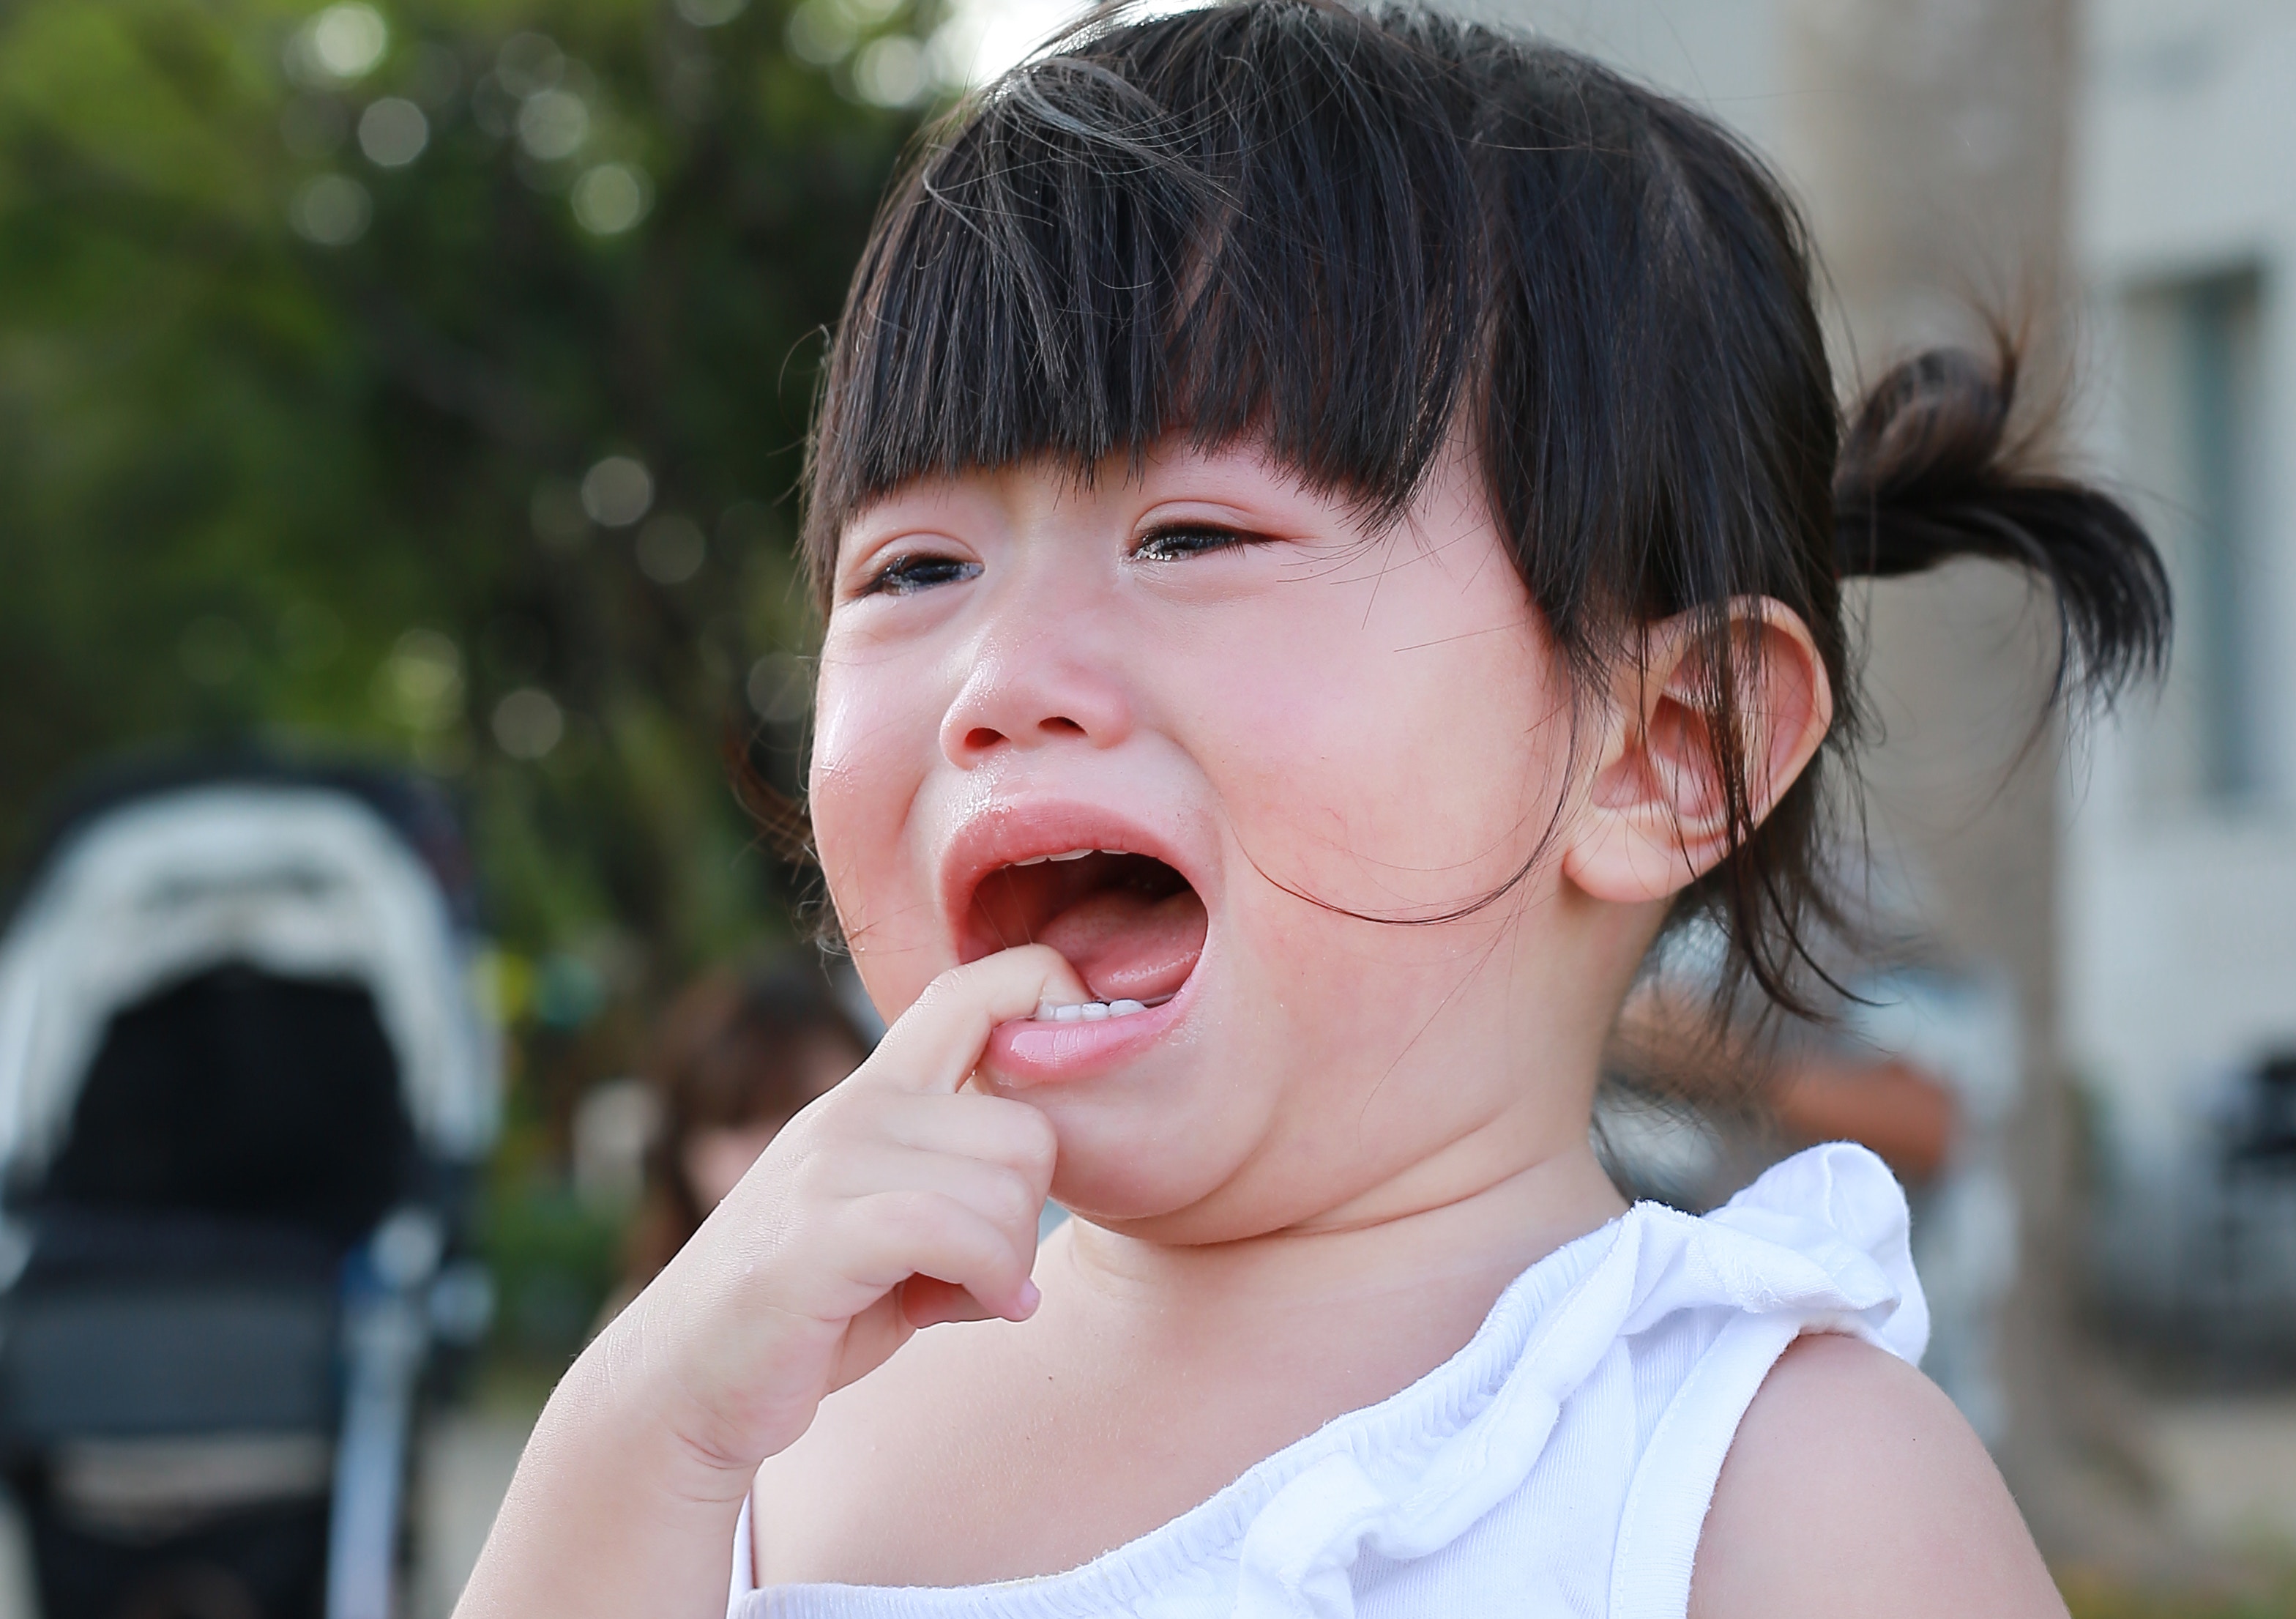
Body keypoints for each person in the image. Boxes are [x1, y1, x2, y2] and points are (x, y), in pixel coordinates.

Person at [457, 5, 2170, 1615]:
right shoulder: (764, 1448)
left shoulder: (1769, 1483)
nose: (999, 673)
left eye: (1191, 536)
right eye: (914, 565)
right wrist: (635, 1429)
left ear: (1668, 745)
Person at [598, 965, 873, 1327]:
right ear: (681, 1150)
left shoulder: (946, 1301)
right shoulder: (643, 1336)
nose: (785, 1151)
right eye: (743, 1121)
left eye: (812, 1111)